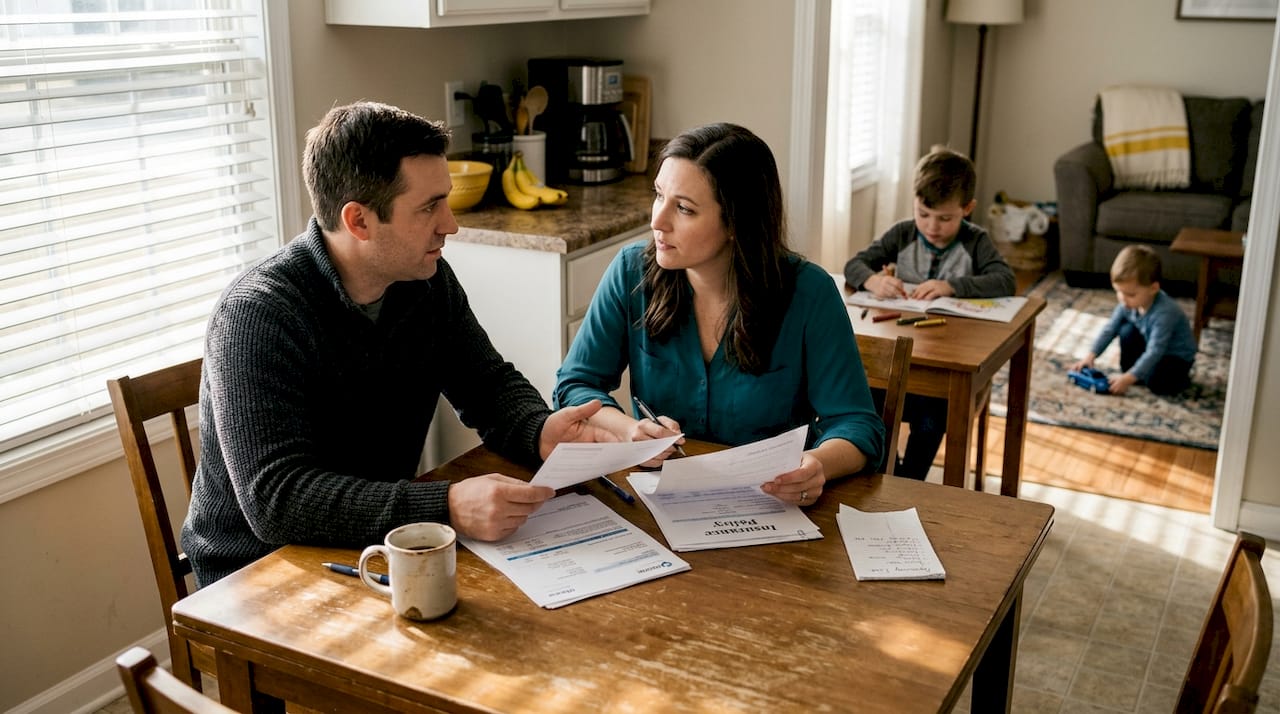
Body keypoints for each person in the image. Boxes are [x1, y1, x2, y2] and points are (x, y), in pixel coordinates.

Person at [181, 101, 612, 587]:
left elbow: (487, 384)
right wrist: (445, 505)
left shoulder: (425, 281)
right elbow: (277, 500)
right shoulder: (258, 313)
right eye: (429, 206)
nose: (450, 224)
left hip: (377, 542)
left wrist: (540, 431)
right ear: (358, 221)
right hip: (259, 575)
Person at [553, 122, 885, 507]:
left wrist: (817, 464)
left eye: (684, 208)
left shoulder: (809, 293)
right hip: (658, 506)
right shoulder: (630, 273)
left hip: (773, 510)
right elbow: (574, 385)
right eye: (659, 195)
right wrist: (630, 430)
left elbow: (857, 425)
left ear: (736, 222)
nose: (657, 222)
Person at [842, 147, 1015, 480]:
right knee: (868, 401)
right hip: (900, 356)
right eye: (923, 214)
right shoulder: (904, 233)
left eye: (945, 219)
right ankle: (882, 472)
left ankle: (909, 480)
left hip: (948, 364)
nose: (932, 226)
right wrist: (874, 280)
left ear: (967, 209)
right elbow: (854, 264)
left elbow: (1005, 280)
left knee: (932, 418)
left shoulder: (975, 241)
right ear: (914, 204)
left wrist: (952, 286)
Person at [1070, 244, 1196, 395]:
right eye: (1118, 292)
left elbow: (1156, 350)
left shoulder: (1165, 312)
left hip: (1174, 357)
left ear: (1153, 288)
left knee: (1157, 384)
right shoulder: (1126, 304)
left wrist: (1128, 379)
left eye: (1130, 294)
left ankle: (1178, 379)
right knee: (1126, 331)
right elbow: (1110, 329)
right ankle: (1138, 373)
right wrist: (1090, 356)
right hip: (1149, 343)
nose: (1123, 299)